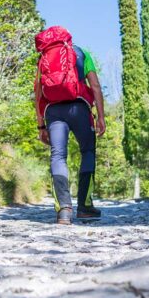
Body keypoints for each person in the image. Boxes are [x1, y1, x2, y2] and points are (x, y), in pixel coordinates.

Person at [34, 26, 106, 225]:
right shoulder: (82, 53)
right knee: (88, 151)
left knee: (58, 155)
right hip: (80, 108)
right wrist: (101, 116)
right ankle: (84, 207)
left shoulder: (44, 58)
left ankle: (64, 210)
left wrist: (41, 126)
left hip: (54, 111)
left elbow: (38, 92)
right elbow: (96, 86)